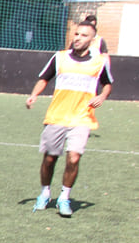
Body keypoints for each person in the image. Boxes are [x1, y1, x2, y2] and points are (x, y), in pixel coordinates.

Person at [25, 21, 112, 217]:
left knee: (74, 157)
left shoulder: (99, 62)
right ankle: (45, 193)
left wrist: (102, 96)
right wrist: (34, 95)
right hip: (57, 116)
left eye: (83, 35)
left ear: (92, 40)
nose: (78, 38)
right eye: (76, 34)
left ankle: (64, 198)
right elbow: (44, 78)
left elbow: (107, 83)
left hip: (82, 117)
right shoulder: (60, 57)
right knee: (49, 158)